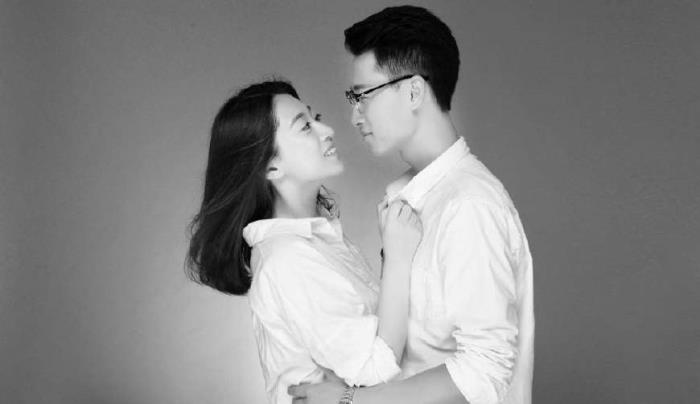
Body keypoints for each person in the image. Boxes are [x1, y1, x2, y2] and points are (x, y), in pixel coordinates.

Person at [289, 5, 534, 404]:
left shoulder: (469, 205)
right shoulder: (411, 198)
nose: (353, 116)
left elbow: (485, 371)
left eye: (362, 96)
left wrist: (350, 401)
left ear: (414, 91)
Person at [186, 80, 422, 404]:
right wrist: (398, 258)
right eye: (305, 127)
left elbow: (375, 333)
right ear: (270, 166)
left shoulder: (315, 239)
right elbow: (376, 366)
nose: (327, 130)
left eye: (316, 117)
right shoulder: (288, 258)